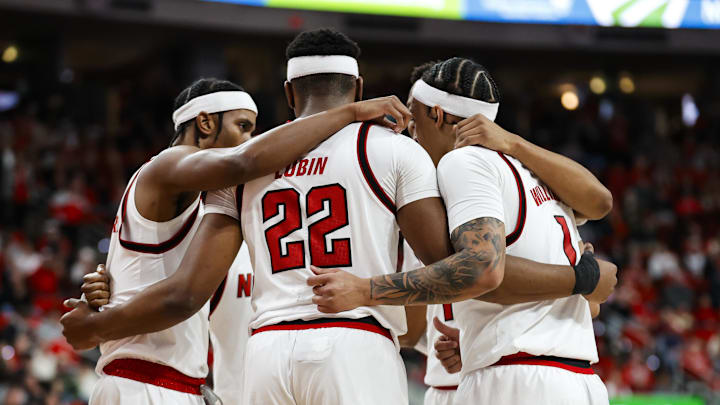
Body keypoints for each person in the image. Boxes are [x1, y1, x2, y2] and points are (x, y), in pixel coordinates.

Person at [61, 76, 412, 405]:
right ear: (205, 124)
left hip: (176, 383)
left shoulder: (209, 212)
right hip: (143, 384)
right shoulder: (168, 166)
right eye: (242, 127)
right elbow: (245, 162)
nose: (249, 140)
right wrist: (349, 112)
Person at [310, 57, 615, 405]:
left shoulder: (463, 162)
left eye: (413, 114)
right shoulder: (529, 170)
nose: (408, 129)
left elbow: (482, 269)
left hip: (515, 377)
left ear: (437, 115)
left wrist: (364, 291)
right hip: (573, 379)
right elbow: (600, 205)